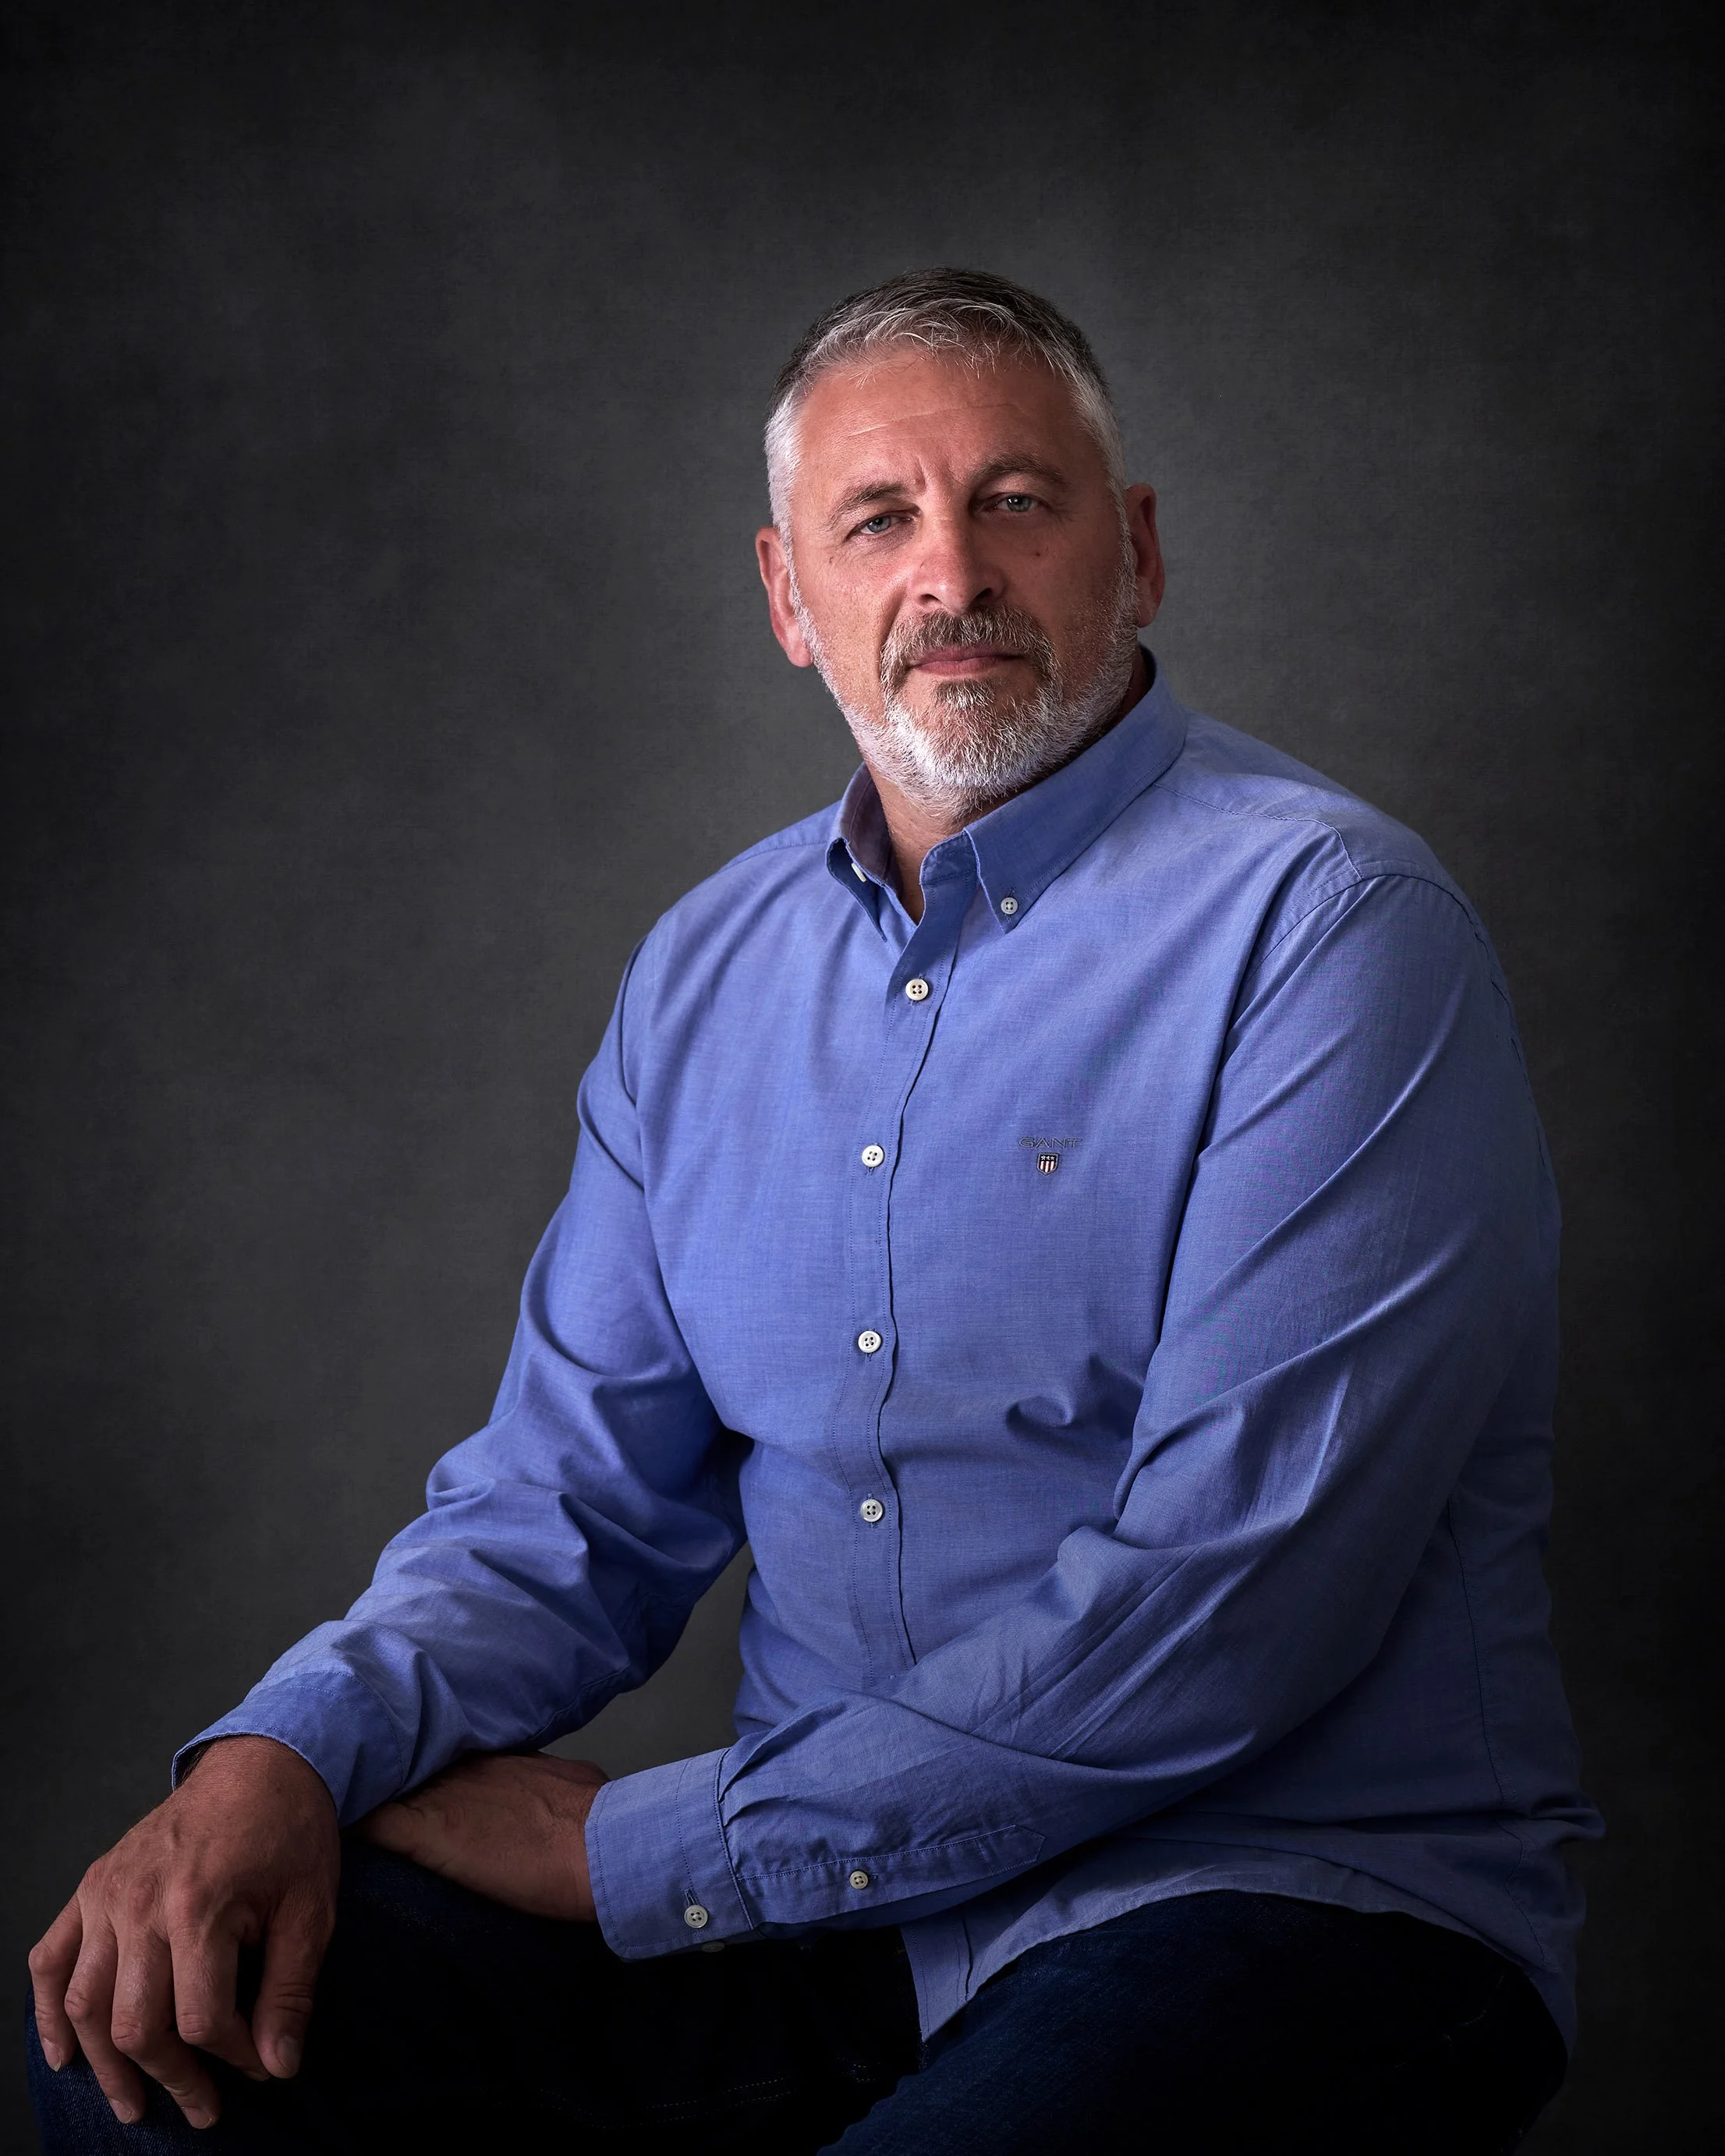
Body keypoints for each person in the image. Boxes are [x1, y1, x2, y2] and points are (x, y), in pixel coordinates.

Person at [27, 268, 1599, 2154]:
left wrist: (636, 1845)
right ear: (790, 595)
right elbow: (565, 1508)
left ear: (1141, 551)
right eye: (879, 518)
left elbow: (1225, 1607)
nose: (951, 572)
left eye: (1016, 499)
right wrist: (284, 1752)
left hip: (1283, 1896)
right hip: (832, 1922)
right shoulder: (705, 975)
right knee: (139, 2070)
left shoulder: (1335, 933)